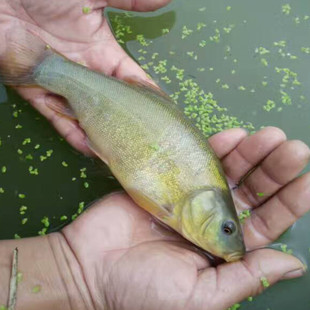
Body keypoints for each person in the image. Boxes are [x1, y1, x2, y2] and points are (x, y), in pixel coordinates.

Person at [0, 0, 310, 309]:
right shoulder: (176, 202)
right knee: (44, 69)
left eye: (229, 229)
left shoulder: (184, 205)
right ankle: (44, 68)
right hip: (104, 102)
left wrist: (77, 278)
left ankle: (42, 67)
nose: (227, 236)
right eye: (226, 229)